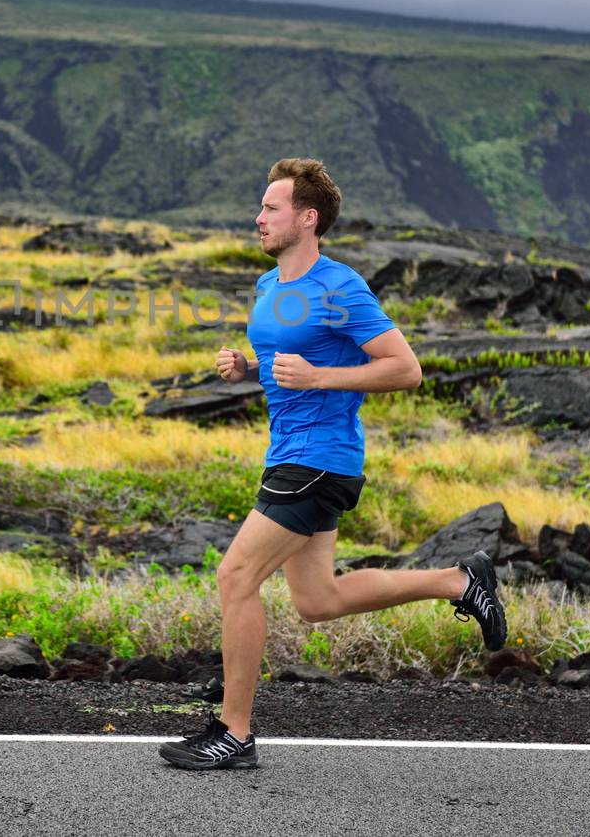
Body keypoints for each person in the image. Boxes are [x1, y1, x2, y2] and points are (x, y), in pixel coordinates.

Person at [158, 157, 507, 771]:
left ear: (307, 217)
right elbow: (287, 359)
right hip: (288, 454)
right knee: (317, 600)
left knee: (236, 577)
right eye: (261, 206)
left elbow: (406, 368)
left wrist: (323, 376)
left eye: (271, 207)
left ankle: (233, 733)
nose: (259, 217)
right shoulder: (271, 287)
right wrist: (247, 368)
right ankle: (460, 581)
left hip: (321, 459)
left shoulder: (339, 287)